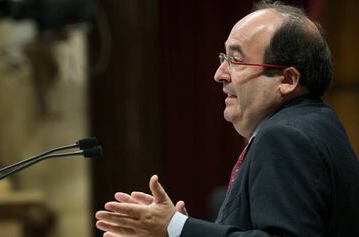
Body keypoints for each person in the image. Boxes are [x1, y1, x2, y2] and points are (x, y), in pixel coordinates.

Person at [95, 1, 359, 236]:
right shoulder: (318, 123)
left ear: (288, 80)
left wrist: (176, 228)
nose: (220, 74)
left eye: (236, 60)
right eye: (225, 58)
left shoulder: (284, 137)